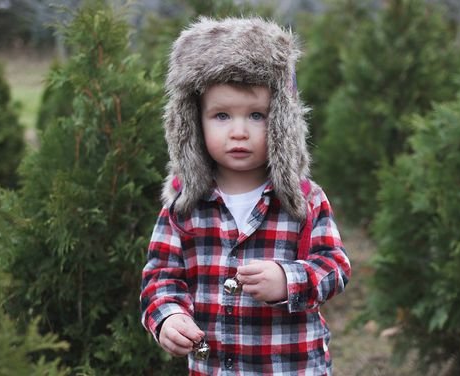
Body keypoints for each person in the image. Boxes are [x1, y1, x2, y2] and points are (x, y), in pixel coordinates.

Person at [140, 17, 351, 375]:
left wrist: (289, 279)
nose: (239, 132)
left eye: (256, 115)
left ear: (282, 120)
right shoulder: (183, 204)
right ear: (194, 121)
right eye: (221, 116)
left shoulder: (303, 199)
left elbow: (334, 265)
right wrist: (168, 316)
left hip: (291, 367)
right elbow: (160, 276)